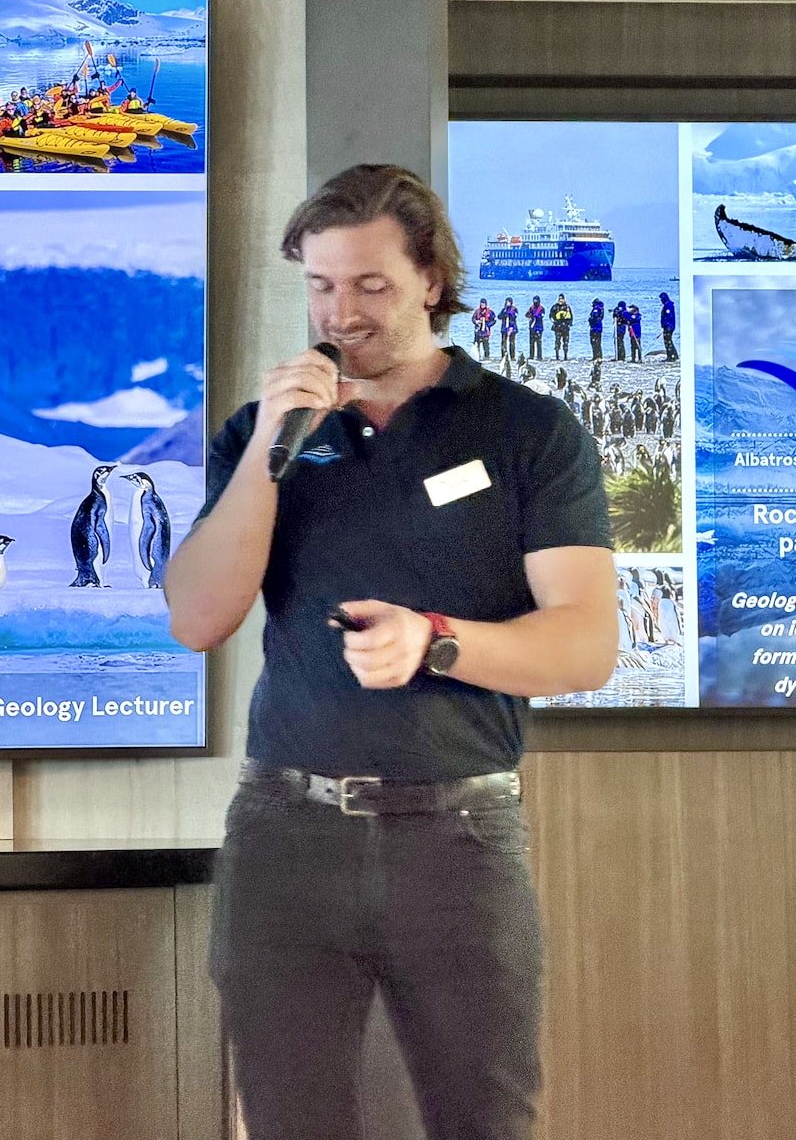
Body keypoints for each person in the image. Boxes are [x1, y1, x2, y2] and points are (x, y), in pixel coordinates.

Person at [164, 163, 616, 1140]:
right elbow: (197, 617)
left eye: (370, 285)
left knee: (483, 1123)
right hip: (285, 838)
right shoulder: (263, 436)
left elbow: (586, 644)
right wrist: (263, 452)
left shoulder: (529, 433)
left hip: (459, 845)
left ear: (431, 282)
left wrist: (436, 643)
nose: (343, 312)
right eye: (321, 286)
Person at [551, 293, 573, 360]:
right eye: (560, 299)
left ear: (564, 299)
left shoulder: (567, 307)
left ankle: (565, 356)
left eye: (562, 299)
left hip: (565, 328)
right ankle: (557, 356)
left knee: (566, 342)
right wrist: (554, 322)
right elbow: (551, 316)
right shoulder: (555, 307)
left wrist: (569, 323)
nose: (561, 300)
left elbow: (571, 317)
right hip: (558, 327)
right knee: (557, 342)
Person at [659, 291, 677, 363]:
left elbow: (669, 316)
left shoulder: (668, 305)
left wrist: (666, 325)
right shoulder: (668, 304)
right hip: (668, 326)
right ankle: (674, 355)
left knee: (668, 341)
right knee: (669, 341)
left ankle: (671, 356)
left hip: (669, 326)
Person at [499, 296, 518, 360]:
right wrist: (504, 313)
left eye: (509, 302)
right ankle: (504, 356)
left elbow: (515, 316)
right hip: (504, 328)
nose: (507, 303)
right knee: (503, 342)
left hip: (512, 328)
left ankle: (512, 356)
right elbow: (499, 316)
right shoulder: (504, 309)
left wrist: (510, 314)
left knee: (512, 343)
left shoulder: (514, 309)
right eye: (506, 302)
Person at [527, 294, 545, 361]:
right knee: (531, 342)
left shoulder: (541, 308)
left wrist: (536, 316)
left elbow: (542, 316)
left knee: (539, 342)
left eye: (536, 300)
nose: (535, 301)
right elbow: (527, 314)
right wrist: (530, 315)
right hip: (532, 327)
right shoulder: (531, 308)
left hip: (539, 327)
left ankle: (539, 356)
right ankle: (531, 355)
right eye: (534, 300)